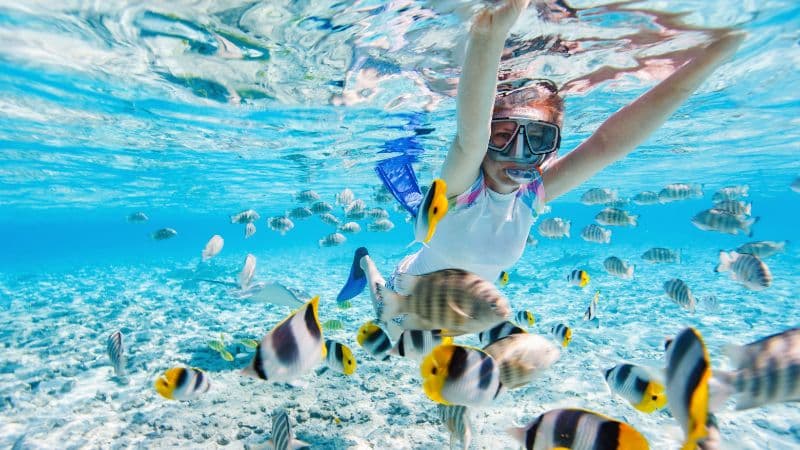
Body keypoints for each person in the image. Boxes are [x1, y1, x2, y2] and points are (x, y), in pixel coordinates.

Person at [338, 0, 744, 327]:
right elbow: (469, 138)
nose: (518, 152)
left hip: (462, 311)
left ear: (552, 147)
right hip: (409, 294)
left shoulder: (532, 195)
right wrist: (490, 33)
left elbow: (608, 144)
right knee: (387, 321)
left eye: (538, 139)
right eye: (502, 135)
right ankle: (365, 263)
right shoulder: (464, 187)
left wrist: (709, 60)